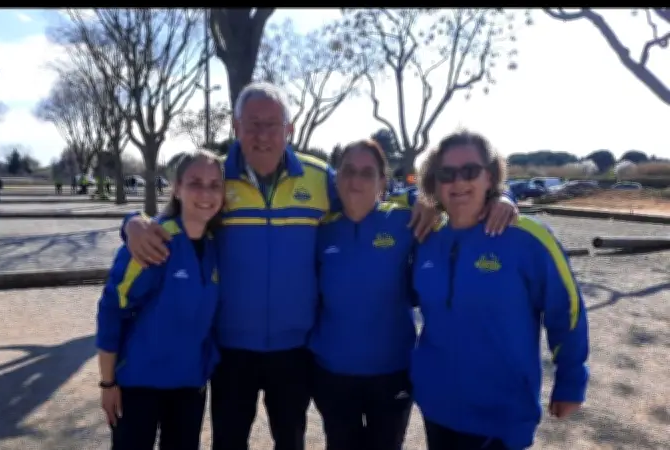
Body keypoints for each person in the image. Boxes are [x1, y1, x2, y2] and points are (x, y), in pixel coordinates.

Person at [120, 82, 519, 450]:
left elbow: (367, 193)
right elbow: (179, 207)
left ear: (288, 130)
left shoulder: (318, 177)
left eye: (272, 124)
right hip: (230, 347)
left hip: (295, 350)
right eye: (253, 124)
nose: (263, 134)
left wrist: (496, 199)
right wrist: (132, 224)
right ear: (237, 126)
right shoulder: (216, 177)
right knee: (228, 442)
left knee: (291, 442)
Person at [410, 131, 590, 450]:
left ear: (490, 177)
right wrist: (419, 203)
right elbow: (374, 198)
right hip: (437, 407)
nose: (458, 182)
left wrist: (571, 381)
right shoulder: (426, 238)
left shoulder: (527, 238)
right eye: (446, 174)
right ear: (434, 184)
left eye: (470, 171)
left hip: (501, 416)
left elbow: (567, 309)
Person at [96, 150, 224, 450]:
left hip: (189, 386)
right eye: (195, 182)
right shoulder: (154, 241)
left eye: (214, 184)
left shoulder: (216, 246)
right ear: (177, 188)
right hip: (140, 384)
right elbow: (111, 309)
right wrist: (107, 383)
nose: (205, 192)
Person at [310, 140, 417, 450]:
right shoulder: (320, 229)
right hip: (333, 373)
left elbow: (450, 205)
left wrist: (502, 197)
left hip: (393, 372)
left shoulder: (405, 221)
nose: (356, 181)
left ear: (383, 181)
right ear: (336, 177)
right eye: (348, 171)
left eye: (367, 173)